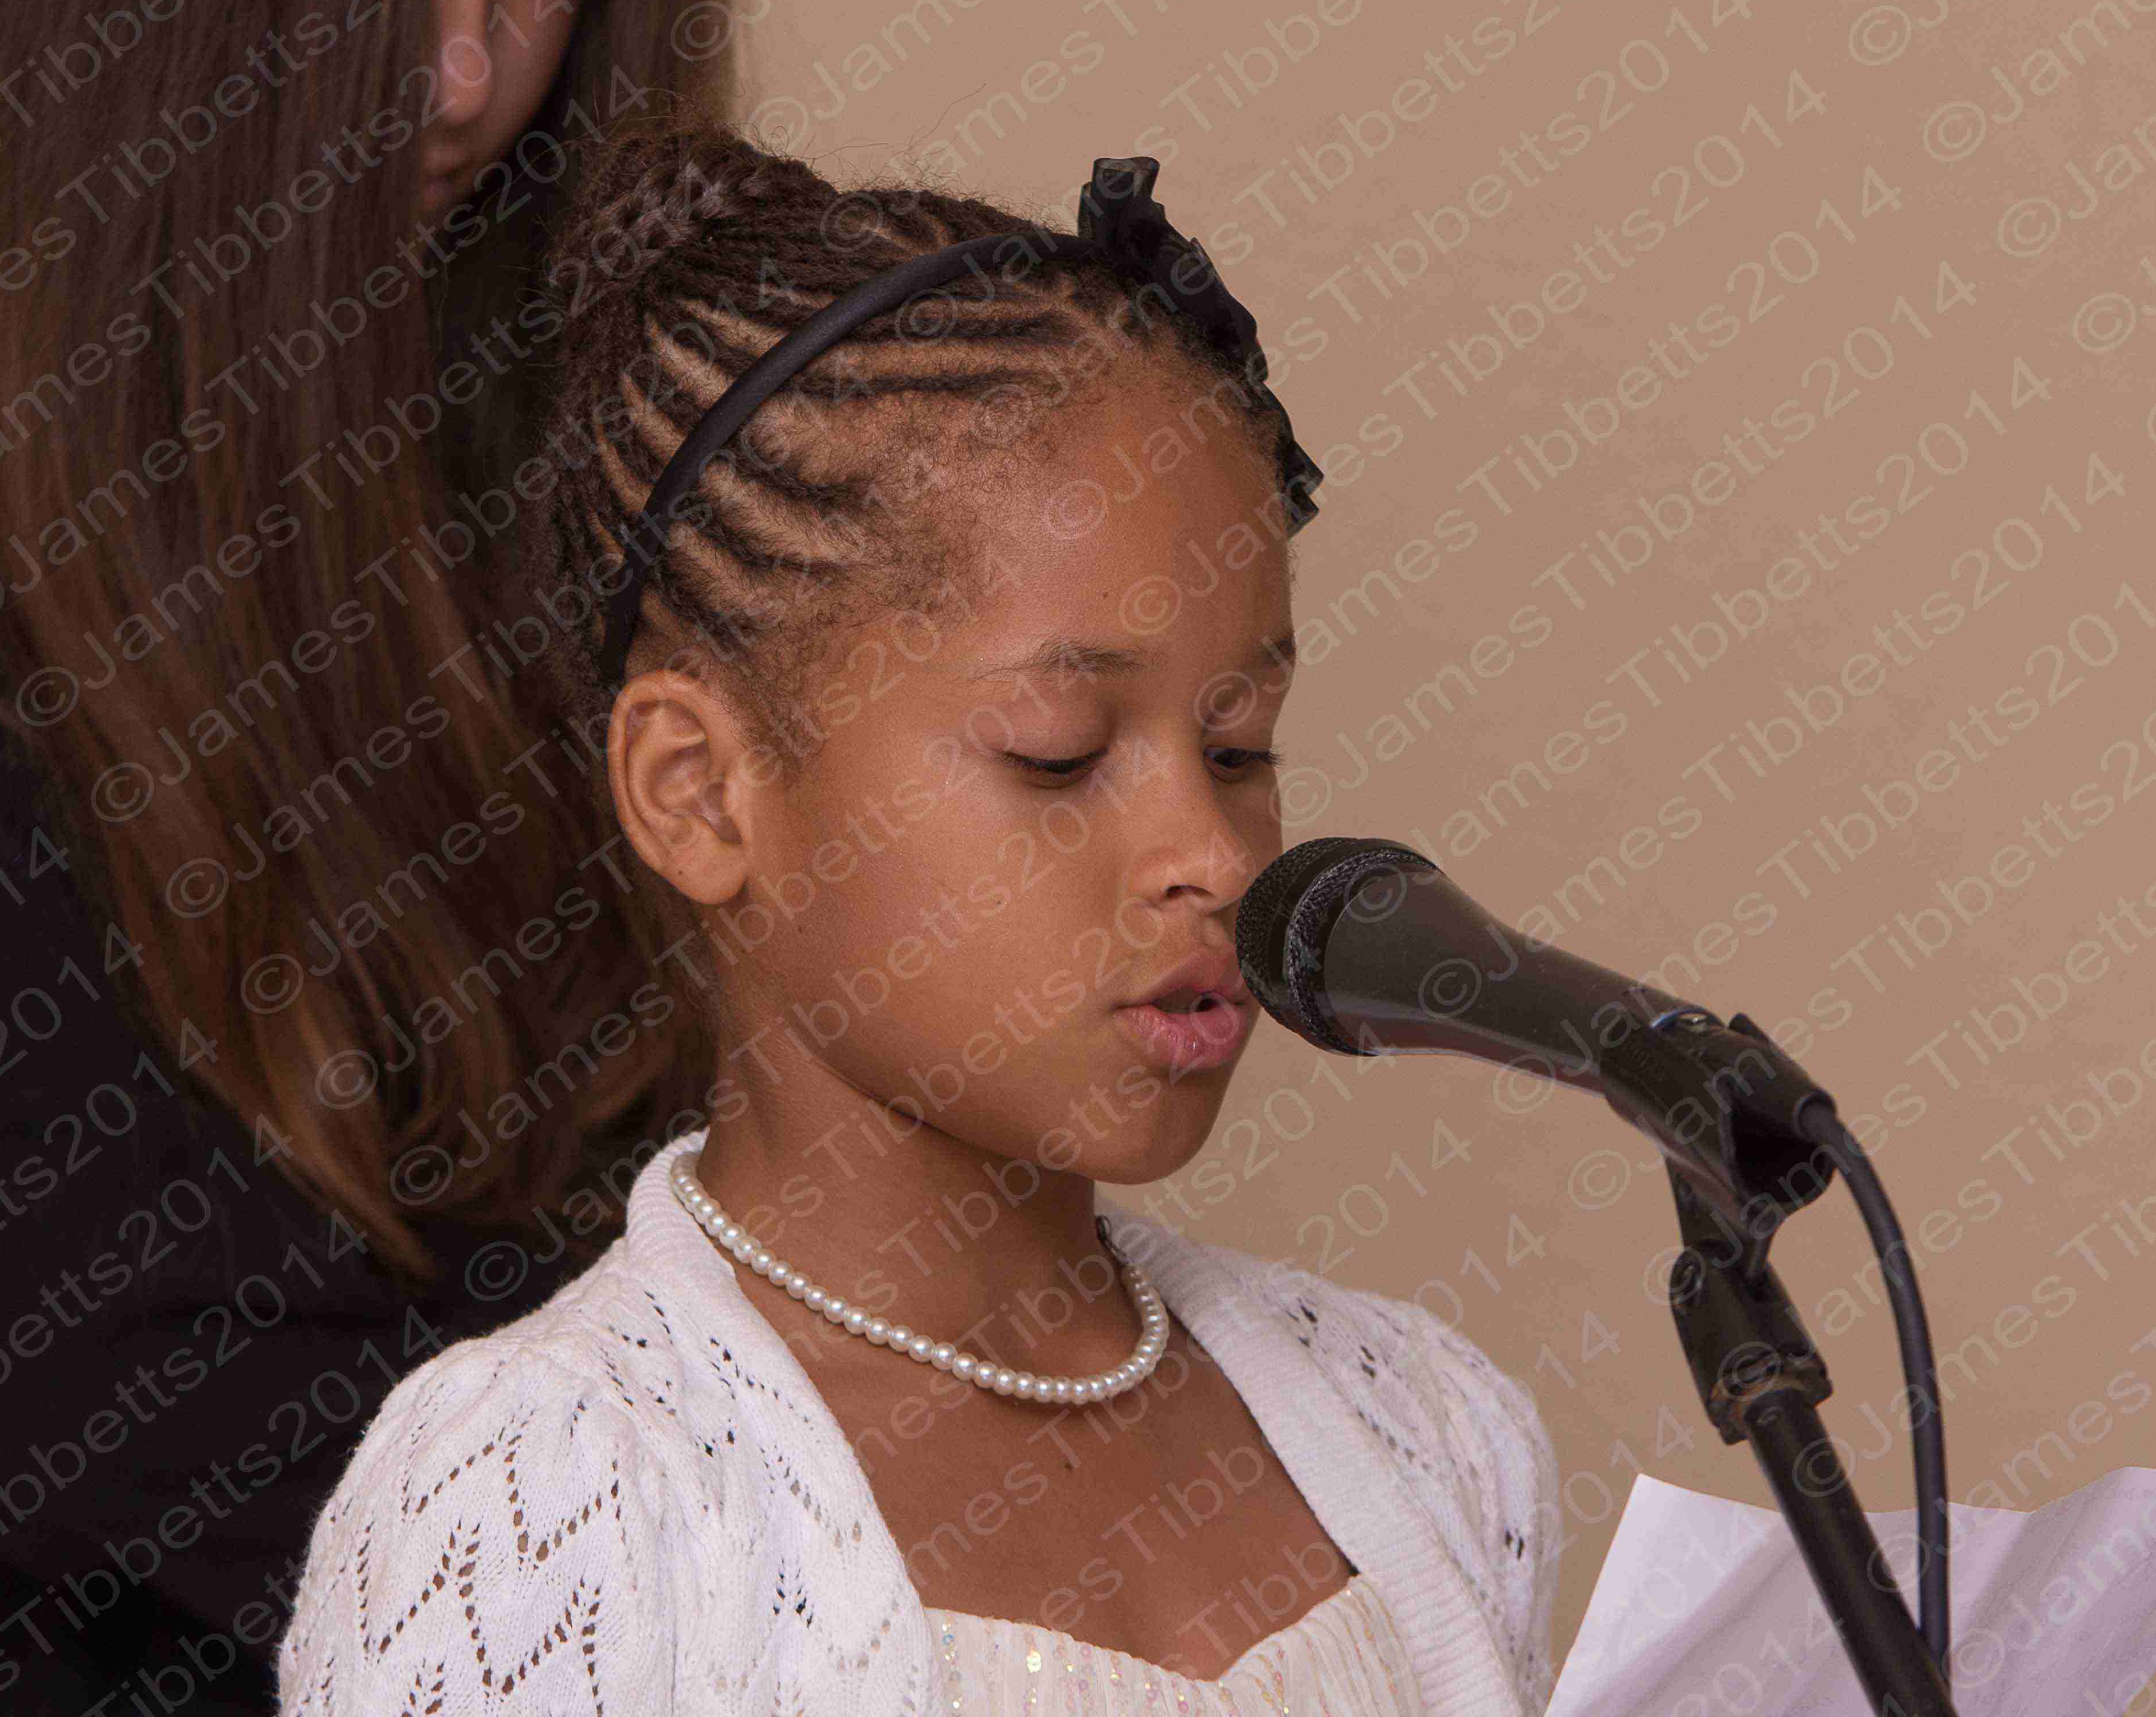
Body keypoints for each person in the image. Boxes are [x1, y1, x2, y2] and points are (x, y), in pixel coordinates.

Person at [276, 121, 1563, 1715]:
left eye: (1239, 747)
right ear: (701, 793)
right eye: (1058, 753)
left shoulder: (1426, 1428)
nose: (1215, 859)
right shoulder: (552, 1504)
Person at [0, 0, 731, 1707]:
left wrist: (19, 1338)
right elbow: (129, 1360)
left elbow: (782, 1242)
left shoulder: (594, 391)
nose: (466, 67)